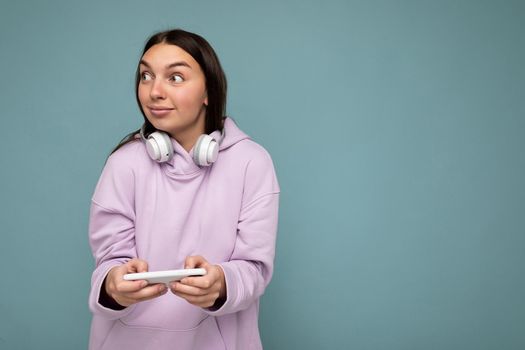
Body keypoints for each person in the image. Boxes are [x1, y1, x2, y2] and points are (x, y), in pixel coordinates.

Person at [88, 28, 280, 350]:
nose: (154, 92)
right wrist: (114, 286)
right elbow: (109, 262)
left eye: (175, 78)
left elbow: (254, 269)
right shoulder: (123, 164)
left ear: (208, 91)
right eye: (146, 76)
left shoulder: (252, 162)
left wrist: (221, 282)